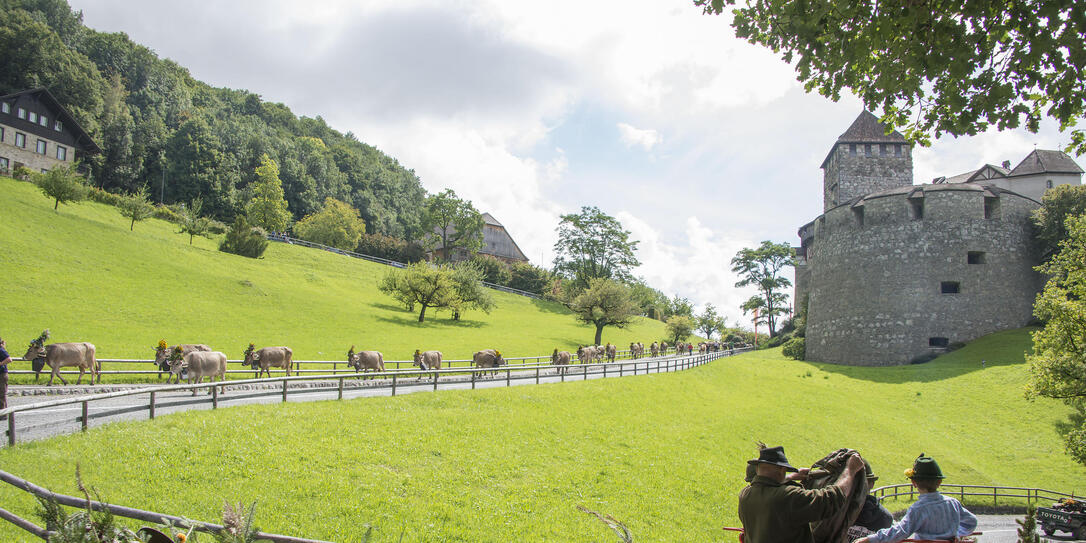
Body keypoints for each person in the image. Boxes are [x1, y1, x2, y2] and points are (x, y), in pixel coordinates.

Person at [739, 445, 865, 543]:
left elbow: (766, 484)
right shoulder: (788, 497)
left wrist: (792, 476)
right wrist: (850, 470)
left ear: (758, 469)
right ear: (782, 469)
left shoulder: (745, 495)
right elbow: (831, 499)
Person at [855, 454, 977, 543]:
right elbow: (972, 522)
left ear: (914, 483)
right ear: (939, 482)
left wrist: (869, 539)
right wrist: (957, 535)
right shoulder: (953, 503)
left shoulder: (918, 509)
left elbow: (900, 532)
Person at [0, 337, 10, 419]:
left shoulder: (1, 350)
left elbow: (9, 359)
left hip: (2, 374)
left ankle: (3, 414)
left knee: (2, 394)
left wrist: (0, 363)